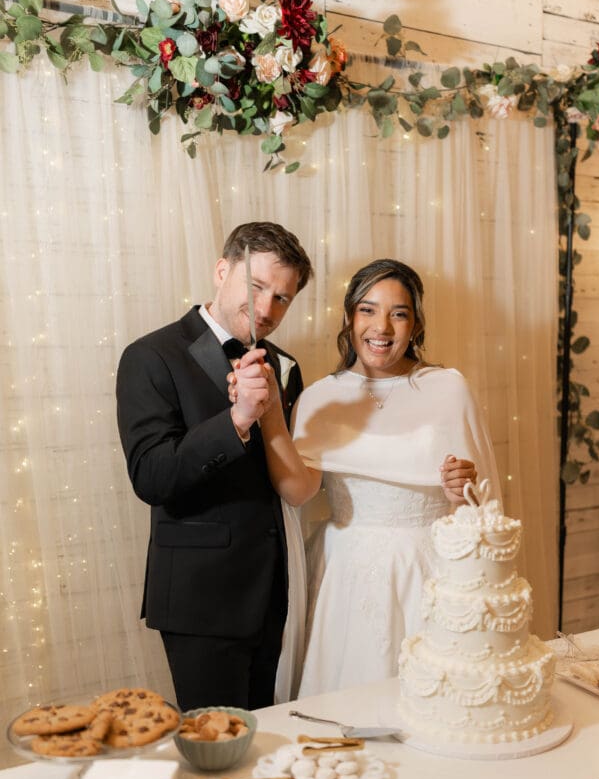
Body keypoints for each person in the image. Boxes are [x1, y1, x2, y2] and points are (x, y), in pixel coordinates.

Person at [242, 258, 501, 699]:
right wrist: (269, 416)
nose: (381, 327)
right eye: (367, 310)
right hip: (345, 573)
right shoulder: (321, 397)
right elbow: (298, 492)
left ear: (415, 325)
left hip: (426, 570)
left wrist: (462, 493)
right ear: (349, 317)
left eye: (398, 314)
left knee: (434, 701)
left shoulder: (449, 389)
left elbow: (483, 509)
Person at [116, 221, 313, 712]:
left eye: (282, 298)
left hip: (273, 593)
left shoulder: (284, 365)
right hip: (200, 598)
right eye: (257, 286)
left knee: (268, 738)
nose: (267, 309)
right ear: (222, 271)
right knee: (215, 746)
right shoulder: (150, 356)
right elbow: (152, 476)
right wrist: (238, 419)